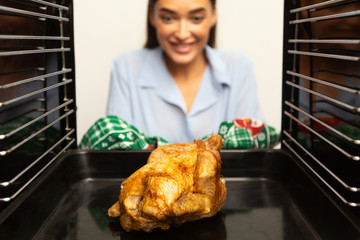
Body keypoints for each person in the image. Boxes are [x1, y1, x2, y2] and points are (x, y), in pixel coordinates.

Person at [107, 0, 264, 143]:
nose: (182, 34)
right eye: (168, 18)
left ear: (213, 15)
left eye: (196, 18)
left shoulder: (239, 67)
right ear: (152, 16)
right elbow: (119, 154)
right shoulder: (126, 67)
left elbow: (251, 151)